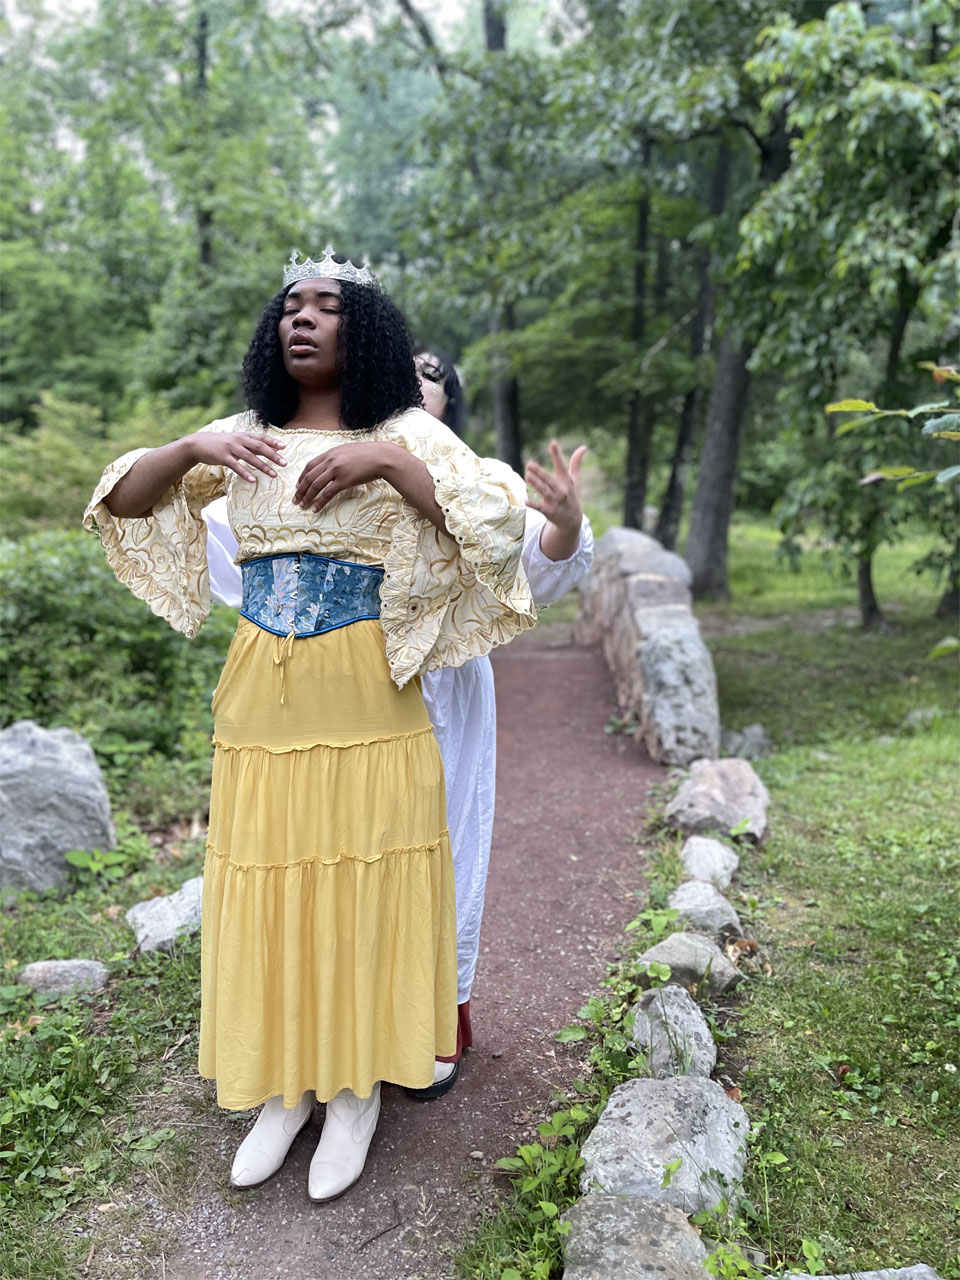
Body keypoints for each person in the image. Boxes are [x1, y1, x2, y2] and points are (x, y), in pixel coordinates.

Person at [83, 250, 535, 1201]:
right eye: (292, 306)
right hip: (260, 699)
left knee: (363, 889)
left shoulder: (409, 428)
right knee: (273, 887)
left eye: (328, 308)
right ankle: (285, 1090)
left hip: (370, 698)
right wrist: (190, 453)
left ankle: (355, 1091)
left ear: (361, 331)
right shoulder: (241, 434)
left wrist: (391, 461)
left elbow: (494, 526)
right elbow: (119, 501)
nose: (303, 318)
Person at [202, 345, 593, 1099]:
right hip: (337, 695)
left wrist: (567, 525)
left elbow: (539, 558)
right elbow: (243, 551)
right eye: (402, 370)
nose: (415, 385)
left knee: (439, 850)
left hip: (442, 694)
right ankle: (327, 1030)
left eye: (433, 380)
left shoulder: (465, 474)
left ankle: (431, 1025)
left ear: (449, 405)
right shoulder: (315, 461)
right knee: (339, 853)